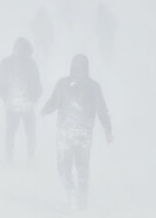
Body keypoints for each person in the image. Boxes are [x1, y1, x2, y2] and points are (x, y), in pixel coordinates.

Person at [41, 54, 113, 209]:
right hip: (85, 133)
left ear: (72, 66)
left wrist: (42, 111)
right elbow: (102, 110)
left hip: (65, 133)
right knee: (83, 167)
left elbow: (53, 104)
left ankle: (71, 191)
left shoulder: (63, 83)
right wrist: (108, 130)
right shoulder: (95, 86)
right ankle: (83, 200)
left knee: (63, 166)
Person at [0, 38, 42, 163]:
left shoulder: (31, 64)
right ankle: (10, 159)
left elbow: (38, 85)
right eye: (20, 50)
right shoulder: (6, 64)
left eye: (24, 52)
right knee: (11, 132)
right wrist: (5, 98)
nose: (21, 54)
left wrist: (33, 100)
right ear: (15, 49)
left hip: (27, 105)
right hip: (12, 105)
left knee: (29, 132)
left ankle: (30, 159)